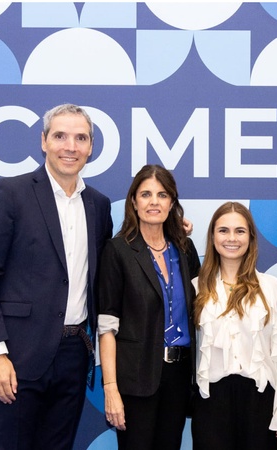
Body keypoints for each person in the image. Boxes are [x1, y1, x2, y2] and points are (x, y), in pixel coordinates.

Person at [0, 104, 113, 450]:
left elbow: (110, 265)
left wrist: (172, 230)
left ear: (91, 147)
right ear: (44, 141)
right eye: (61, 136)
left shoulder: (99, 204)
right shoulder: (11, 193)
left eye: (80, 138)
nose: (70, 146)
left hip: (73, 357)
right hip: (16, 356)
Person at [97, 164, 200, 450]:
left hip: (179, 378)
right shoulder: (117, 251)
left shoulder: (185, 250)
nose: (154, 201)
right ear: (134, 202)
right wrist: (111, 388)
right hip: (135, 379)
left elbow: (204, 305)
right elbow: (107, 326)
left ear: (172, 203)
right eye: (146, 194)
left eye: (162, 195)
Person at [192, 201, 277, 450]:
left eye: (240, 231)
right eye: (223, 230)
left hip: (260, 402)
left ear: (250, 237)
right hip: (210, 402)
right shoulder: (195, 288)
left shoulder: (270, 287)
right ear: (212, 236)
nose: (232, 238)